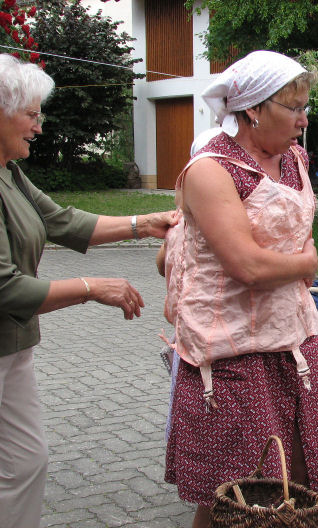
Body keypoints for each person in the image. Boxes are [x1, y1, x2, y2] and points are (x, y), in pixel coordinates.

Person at [0, 53, 177, 528]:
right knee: (15, 466)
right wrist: (90, 287)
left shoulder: (10, 173)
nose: (39, 127)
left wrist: (145, 223)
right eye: (32, 114)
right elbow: (5, 289)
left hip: (12, 348)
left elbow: (63, 221)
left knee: (26, 463)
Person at [163, 50, 318, 527]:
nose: (304, 120)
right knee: (233, 491)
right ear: (254, 109)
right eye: (294, 108)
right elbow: (246, 266)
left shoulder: (295, 158)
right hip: (232, 348)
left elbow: (299, 225)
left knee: (294, 482)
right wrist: (307, 263)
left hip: (293, 338)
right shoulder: (211, 171)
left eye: (306, 107)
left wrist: (303, 258)